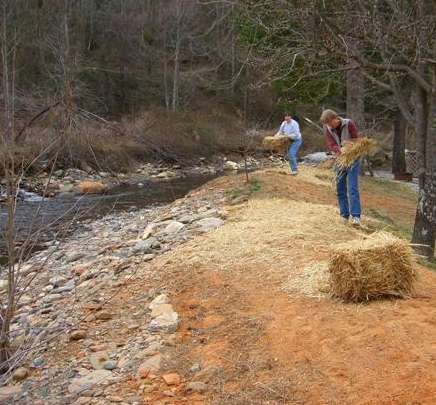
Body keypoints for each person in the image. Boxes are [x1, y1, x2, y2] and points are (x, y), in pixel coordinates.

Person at [320, 109, 362, 225]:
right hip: (340, 158)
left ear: (336, 118)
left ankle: (356, 216)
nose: (329, 126)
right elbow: (331, 144)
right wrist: (339, 150)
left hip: (353, 158)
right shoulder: (328, 128)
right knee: (340, 187)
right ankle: (344, 215)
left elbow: (357, 140)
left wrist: (349, 146)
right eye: (327, 124)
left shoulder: (349, 123)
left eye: (330, 123)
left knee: (352, 188)